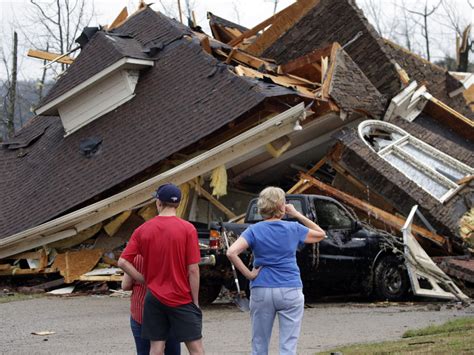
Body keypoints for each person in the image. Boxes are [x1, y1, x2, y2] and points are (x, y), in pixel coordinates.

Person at [227, 186, 326, 355]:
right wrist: (296, 214)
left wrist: (250, 275)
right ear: (282, 206)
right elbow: (320, 234)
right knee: (288, 346)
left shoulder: (253, 230)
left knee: (259, 345)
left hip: (261, 288)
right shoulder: (293, 228)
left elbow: (231, 252)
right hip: (289, 288)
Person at [118, 183, 204, 355]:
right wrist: (195, 301)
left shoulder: (142, 230)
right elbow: (193, 270)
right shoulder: (188, 229)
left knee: (156, 348)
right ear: (178, 204)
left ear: (158, 202)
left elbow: (122, 262)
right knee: (196, 350)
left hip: (154, 297)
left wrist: (142, 279)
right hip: (180, 297)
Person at [121, 254, 181, 355]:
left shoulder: (135, 256)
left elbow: (126, 285)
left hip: (141, 312)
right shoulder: (172, 253)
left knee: (144, 351)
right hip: (169, 311)